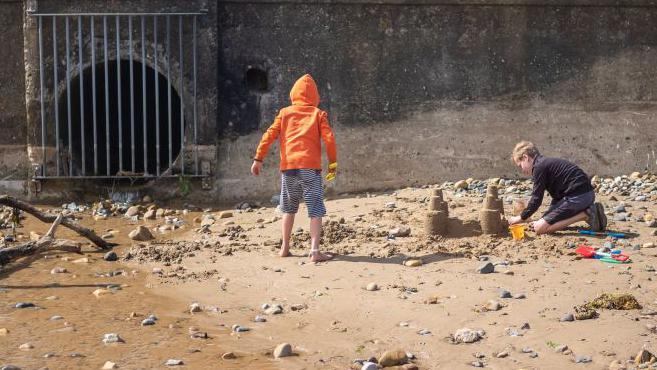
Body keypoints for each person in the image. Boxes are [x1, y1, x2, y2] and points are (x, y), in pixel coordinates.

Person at [250, 74, 337, 262]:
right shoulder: (318, 114)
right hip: (310, 169)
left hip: (289, 169)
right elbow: (329, 140)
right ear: (316, 97)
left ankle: (284, 247)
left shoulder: (285, 113)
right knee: (315, 208)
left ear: (293, 95)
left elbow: (269, 135)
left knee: (288, 208)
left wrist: (258, 159)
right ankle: (314, 251)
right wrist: (332, 164)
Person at [507, 141, 606, 235]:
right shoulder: (544, 163)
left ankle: (585, 215)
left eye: (520, 166)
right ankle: (589, 213)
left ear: (525, 157)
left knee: (539, 229)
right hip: (584, 195)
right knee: (544, 222)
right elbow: (558, 198)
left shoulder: (539, 167)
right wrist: (545, 218)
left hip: (578, 197)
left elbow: (536, 199)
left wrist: (521, 218)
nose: (521, 170)